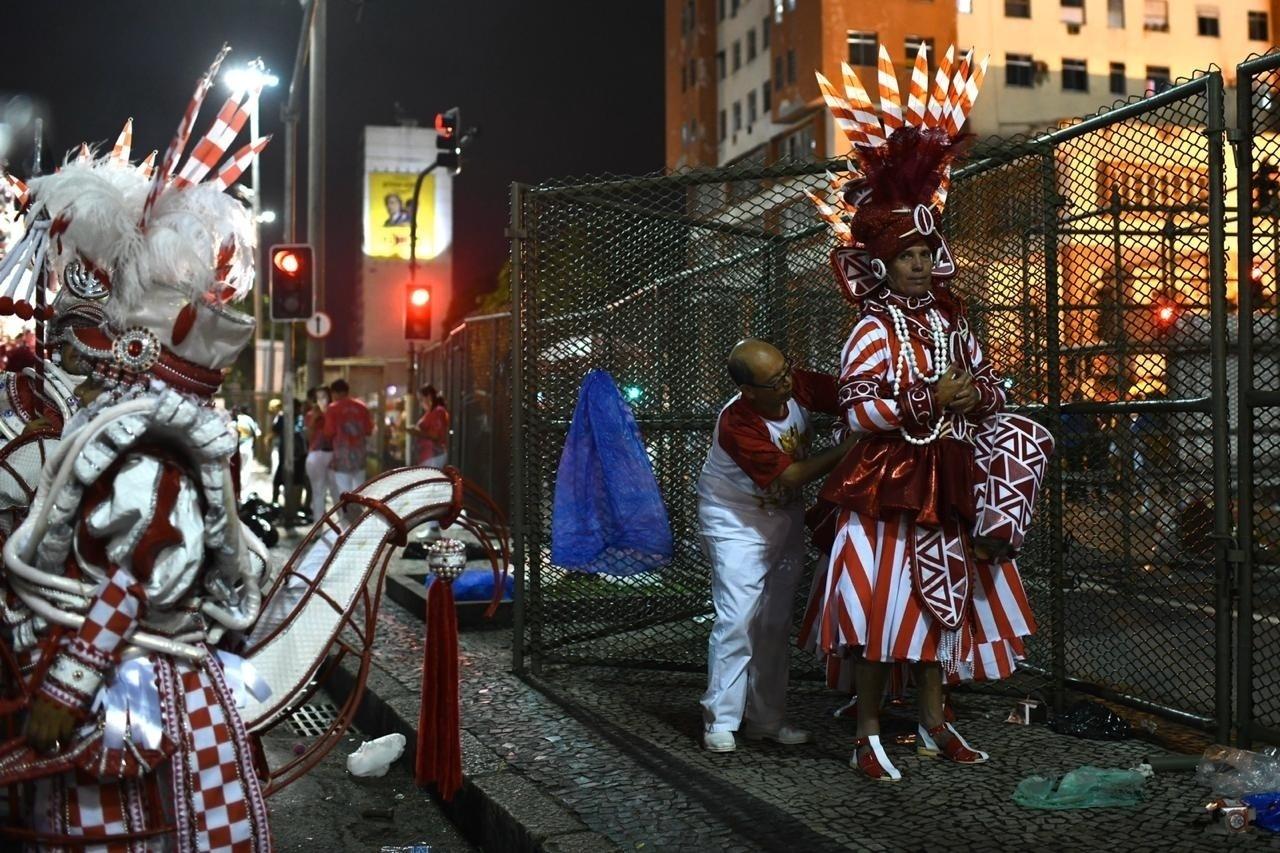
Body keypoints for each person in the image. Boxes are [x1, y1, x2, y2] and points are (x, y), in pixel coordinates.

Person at [0, 55, 276, 847]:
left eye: (99, 335)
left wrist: (68, 677)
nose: (80, 346)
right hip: (120, 679)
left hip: (130, 695)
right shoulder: (124, 424)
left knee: (118, 833)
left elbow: (144, 562)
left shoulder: (151, 442)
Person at [803, 44, 1048, 781]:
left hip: (951, 477)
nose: (917, 262)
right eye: (905, 253)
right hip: (886, 487)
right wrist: (928, 398)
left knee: (947, 606)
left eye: (924, 250)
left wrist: (976, 395)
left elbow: (992, 383)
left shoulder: (951, 322)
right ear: (879, 262)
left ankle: (936, 720)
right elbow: (858, 408)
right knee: (883, 615)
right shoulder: (872, 327)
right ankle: (869, 731)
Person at [696, 338, 855, 753]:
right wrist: (846, 450)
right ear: (750, 391)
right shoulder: (738, 421)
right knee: (738, 618)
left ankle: (766, 721)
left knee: (774, 621)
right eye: (775, 380)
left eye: (787, 370)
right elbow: (791, 476)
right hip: (735, 521)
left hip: (782, 517)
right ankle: (721, 719)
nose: (788, 382)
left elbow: (849, 393)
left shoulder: (794, 384)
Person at [323, 378, 374, 519]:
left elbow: (329, 432)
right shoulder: (362, 407)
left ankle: (349, 524)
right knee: (360, 490)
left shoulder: (333, 408)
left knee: (345, 492)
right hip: (360, 456)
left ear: (336, 393)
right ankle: (362, 520)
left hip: (342, 457)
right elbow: (369, 430)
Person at [304, 385, 338, 522]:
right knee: (318, 492)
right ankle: (318, 525)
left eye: (324, 397)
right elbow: (308, 436)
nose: (321, 400)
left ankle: (345, 526)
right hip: (316, 454)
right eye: (318, 398)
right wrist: (316, 417)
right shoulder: (311, 415)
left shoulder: (334, 412)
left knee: (337, 492)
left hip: (333, 454)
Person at [410, 383, 451, 467]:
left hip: (433, 456)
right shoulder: (430, 412)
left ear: (428, 397)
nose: (421, 404)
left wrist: (417, 432)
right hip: (427, 456)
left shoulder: (438, 411)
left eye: (421, 400)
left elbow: (436, 435)